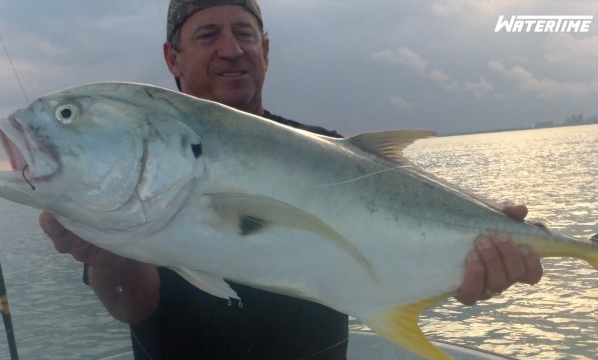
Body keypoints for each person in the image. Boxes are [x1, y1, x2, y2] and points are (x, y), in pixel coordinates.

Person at [39, 0, 544, 358]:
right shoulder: (138, 162)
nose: (231, 49)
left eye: (244, 32)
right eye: (207, 34)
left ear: (266, 48)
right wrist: (104, 253)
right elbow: (134, 306)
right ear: (173, 58)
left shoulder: (332, 151)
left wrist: (471, 266)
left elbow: (396, 245)